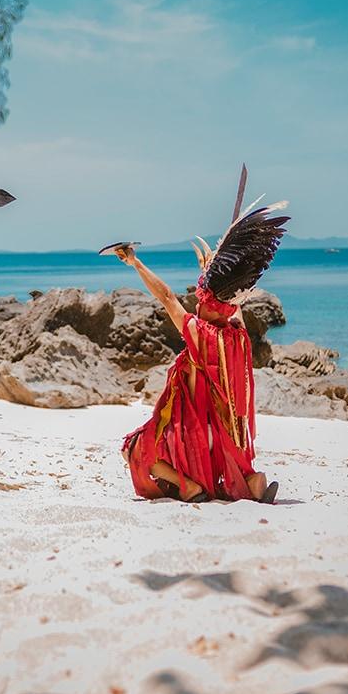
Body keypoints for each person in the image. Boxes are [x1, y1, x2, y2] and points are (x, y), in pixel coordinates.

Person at [111, 203, 289, 503]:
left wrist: (135, 262)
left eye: (201, 296)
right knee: (232, 461)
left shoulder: (197, 331)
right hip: (225, 439)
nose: (197, 300)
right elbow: (233, 301)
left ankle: (190, 487)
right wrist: (218, 272)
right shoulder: (238, 336)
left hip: (193, 436)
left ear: (208, 303)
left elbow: (166, 296)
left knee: (134, 449)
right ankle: (252, 480)